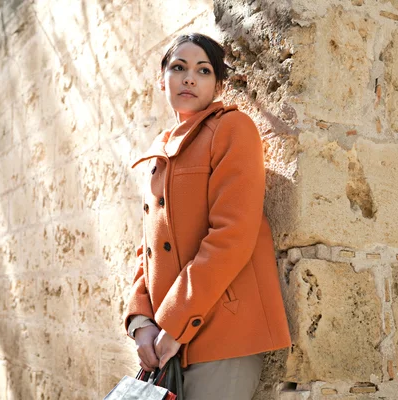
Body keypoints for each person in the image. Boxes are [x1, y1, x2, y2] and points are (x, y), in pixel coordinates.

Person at [123, 33, 292, 399]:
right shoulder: (158, 155)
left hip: (222, 336)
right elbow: (146, 253)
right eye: (179, 67)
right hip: (165, 342)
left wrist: (174, 324)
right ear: (162, 78)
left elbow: (231, 236)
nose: (189, 78)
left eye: (203, 70)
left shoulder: (233, 129)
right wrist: (141, 323)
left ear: (217, 84)